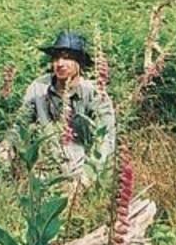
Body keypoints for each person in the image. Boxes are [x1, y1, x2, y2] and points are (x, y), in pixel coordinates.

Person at [16, 30, 116, 184]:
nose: (60, 63)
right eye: (56, 57)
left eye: (67, 58)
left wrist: (88, 177)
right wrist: (7, 146)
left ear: (80, 63)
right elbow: (20, 125)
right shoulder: (38, 87)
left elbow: (107, 139)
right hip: (48, 170)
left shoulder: (95, 93)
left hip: (85, 172)